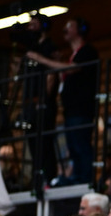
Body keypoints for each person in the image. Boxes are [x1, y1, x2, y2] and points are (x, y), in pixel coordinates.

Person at [25, 17, 98, 184]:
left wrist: (41, 59)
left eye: (69, 26)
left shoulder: (87, 51)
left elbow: (73, 69)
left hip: (81, 108)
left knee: (81, 144)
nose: (65, 29)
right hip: (70, 108)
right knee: (73, 146)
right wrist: (57, 62)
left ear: (80, 30)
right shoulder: (72, 55)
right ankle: (77, 176)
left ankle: (85, 178)